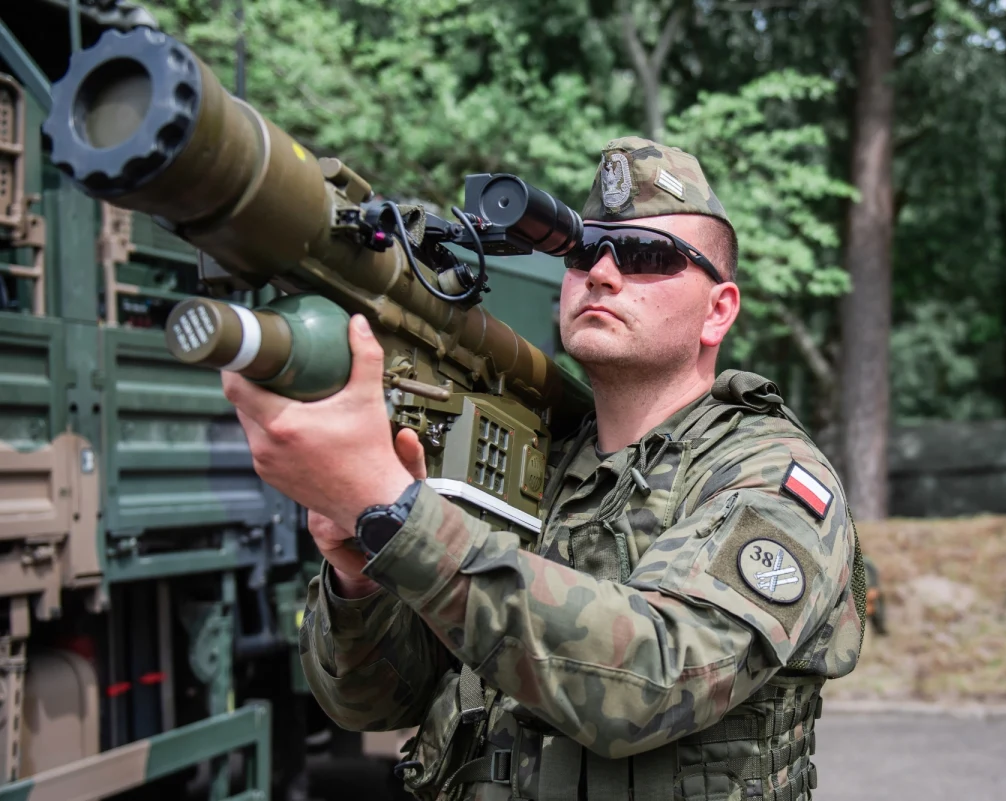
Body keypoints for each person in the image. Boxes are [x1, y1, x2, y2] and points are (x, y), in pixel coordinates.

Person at [222, 136, 867, 801]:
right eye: (585, 251)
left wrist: (399, 511)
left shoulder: (771, 472)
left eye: (649, 256)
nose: (604, 273)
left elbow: (654, 679)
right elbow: (373, 704)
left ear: (719, 309)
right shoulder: (539, 457)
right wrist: (361, 570)